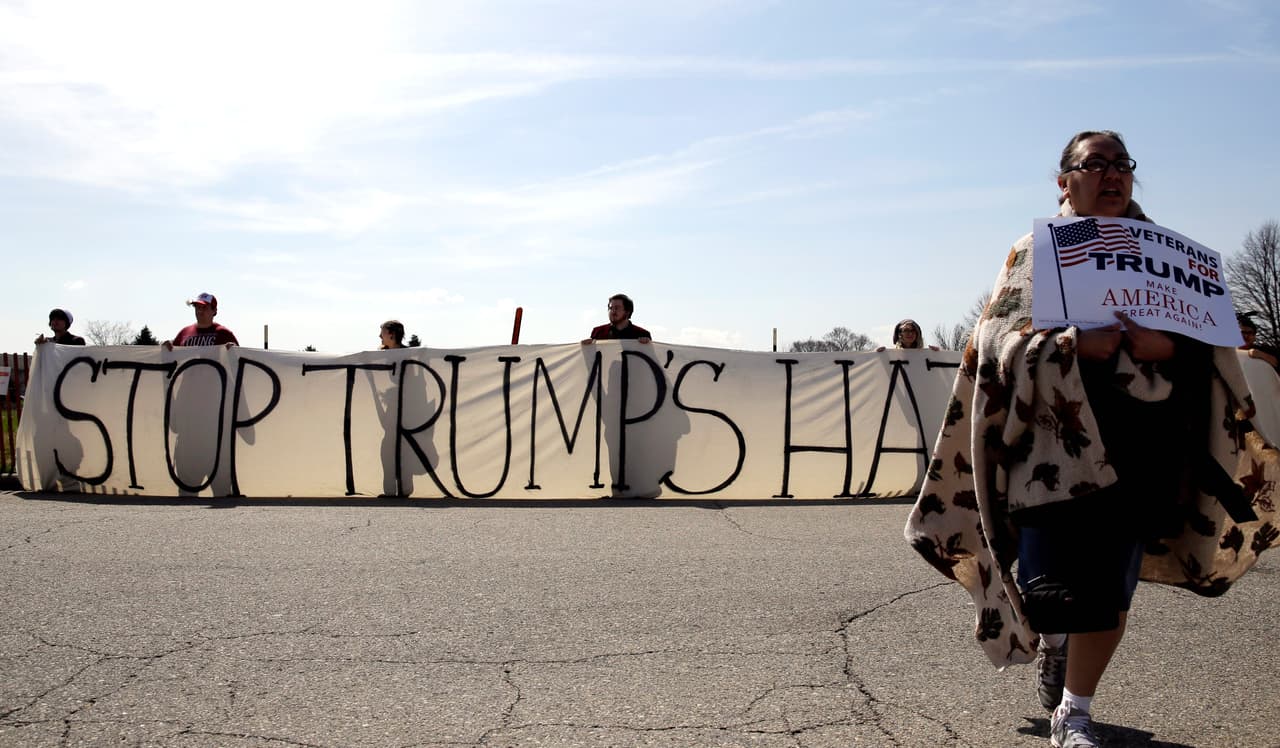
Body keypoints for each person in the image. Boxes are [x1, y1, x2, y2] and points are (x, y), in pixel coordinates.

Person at [903, 130, 1277, 748]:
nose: (1112, 175)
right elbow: (995, 341)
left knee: (1111, 586)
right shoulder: (1037, 252)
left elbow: (1211, 344)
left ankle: (1073, 711)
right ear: (1064, 180)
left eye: (1122, 164)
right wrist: (1073, 345)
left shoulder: (1171, 256)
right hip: (1050, 447)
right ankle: (1054, 643)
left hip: (1144, 442)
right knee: (1052, 589)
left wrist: (1174, 347)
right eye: (1094, 164)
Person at [162, 293, 239, 350]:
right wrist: (164, 349)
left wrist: (234, 351)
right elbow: (172, 359)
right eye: (197, 307)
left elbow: (239, 361)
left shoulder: (224, 333)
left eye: (204, 307)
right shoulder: (184, 332)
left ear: (214, 311)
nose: (200, 311)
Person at [583, 293, 652, 343]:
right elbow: (591, 360)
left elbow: (650, 361)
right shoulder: (598, 332)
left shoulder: (642, 334)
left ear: (627, 311)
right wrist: (585, 348)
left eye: (617, 308)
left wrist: (647, 346)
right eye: (610, 308)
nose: (613, 311)